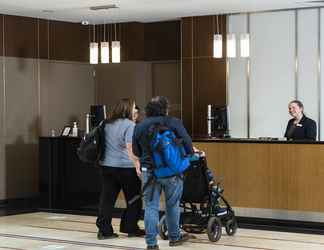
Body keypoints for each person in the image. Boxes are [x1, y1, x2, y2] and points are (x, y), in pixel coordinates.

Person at [133, 96, 193, 250]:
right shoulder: (173, 122)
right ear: (165, 109)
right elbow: (187, 143)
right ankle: (174, 237)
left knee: (151, 207)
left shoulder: (140, 126)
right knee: (172, 205)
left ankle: (151, 244)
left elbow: (136, 150)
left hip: (150, 173)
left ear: (148, 110)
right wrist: (187, 155)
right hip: (172, 172)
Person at [96, 98, 145, 239]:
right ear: (127, 108)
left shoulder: (106, 123)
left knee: (107, 199)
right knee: (134, 198)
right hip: (126, 167)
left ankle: (104, 231)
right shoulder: (130, 125)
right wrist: (137, 165)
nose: (136, 110)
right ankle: (130, 227)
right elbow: (130, 147)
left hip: (106, 166)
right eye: (134, 107)